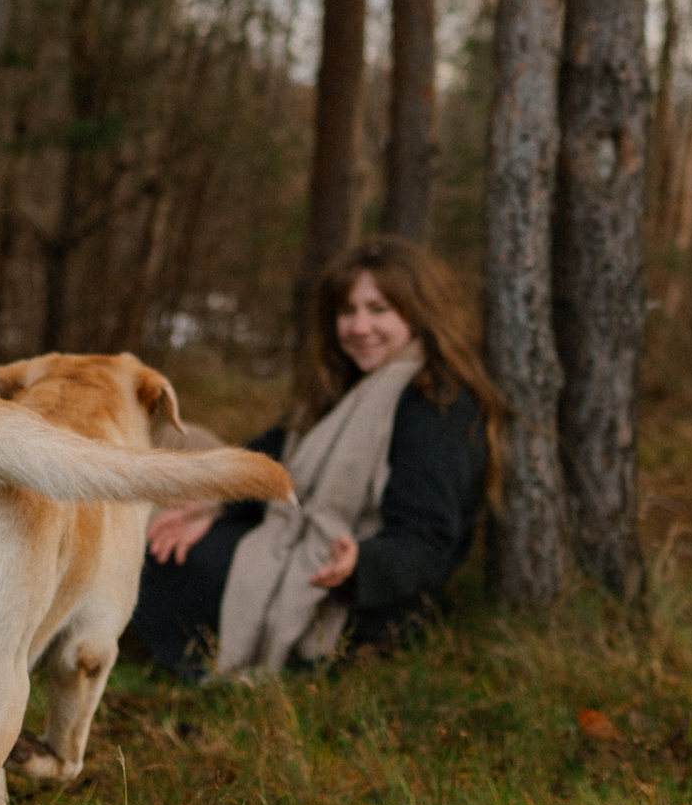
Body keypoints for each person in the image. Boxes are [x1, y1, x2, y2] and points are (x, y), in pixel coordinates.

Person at [125, 235, 508, 682]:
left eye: (379, 309)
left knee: (146, 525)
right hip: (288, 536)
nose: (360, 327)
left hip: (341, 592)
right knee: (175, 441)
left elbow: (428, 540)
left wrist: (361, 565)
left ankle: (98, 614)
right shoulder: (348, 387)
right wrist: (213, 508)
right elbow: (268, 461)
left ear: (419, 313)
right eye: (348, 311)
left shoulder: (432, 404)